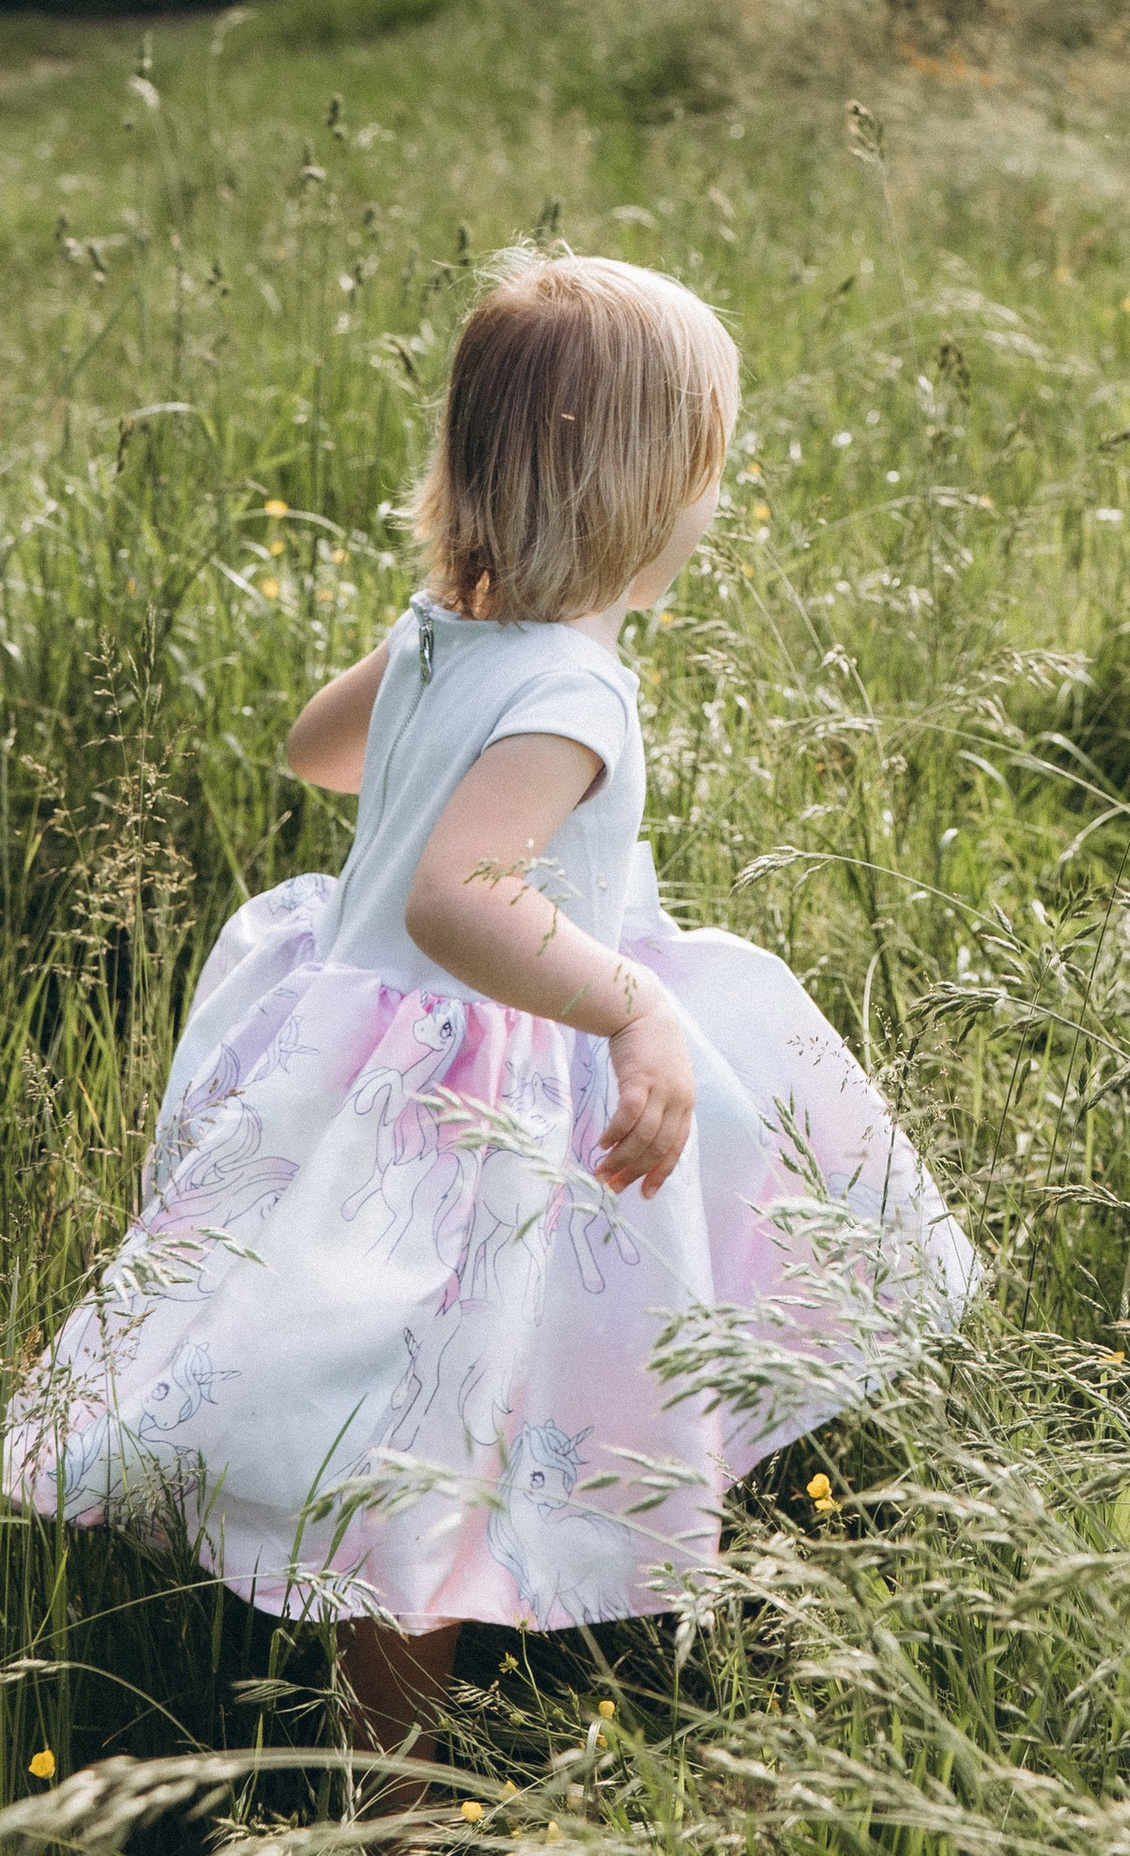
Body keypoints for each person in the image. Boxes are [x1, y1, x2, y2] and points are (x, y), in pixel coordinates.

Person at [2, 251, 977, 1760]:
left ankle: (601, 1587)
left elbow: (316, 751)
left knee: (407, 1405)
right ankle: (404, 1774)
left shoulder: (447, 637)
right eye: (708, 468)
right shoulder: (573, 693)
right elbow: (458, 895)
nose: (714, 506)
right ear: (652, 491)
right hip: (485, 1079)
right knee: (436, 1435)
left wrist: (424, 684)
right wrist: (636, 1008)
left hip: (370, 1038)